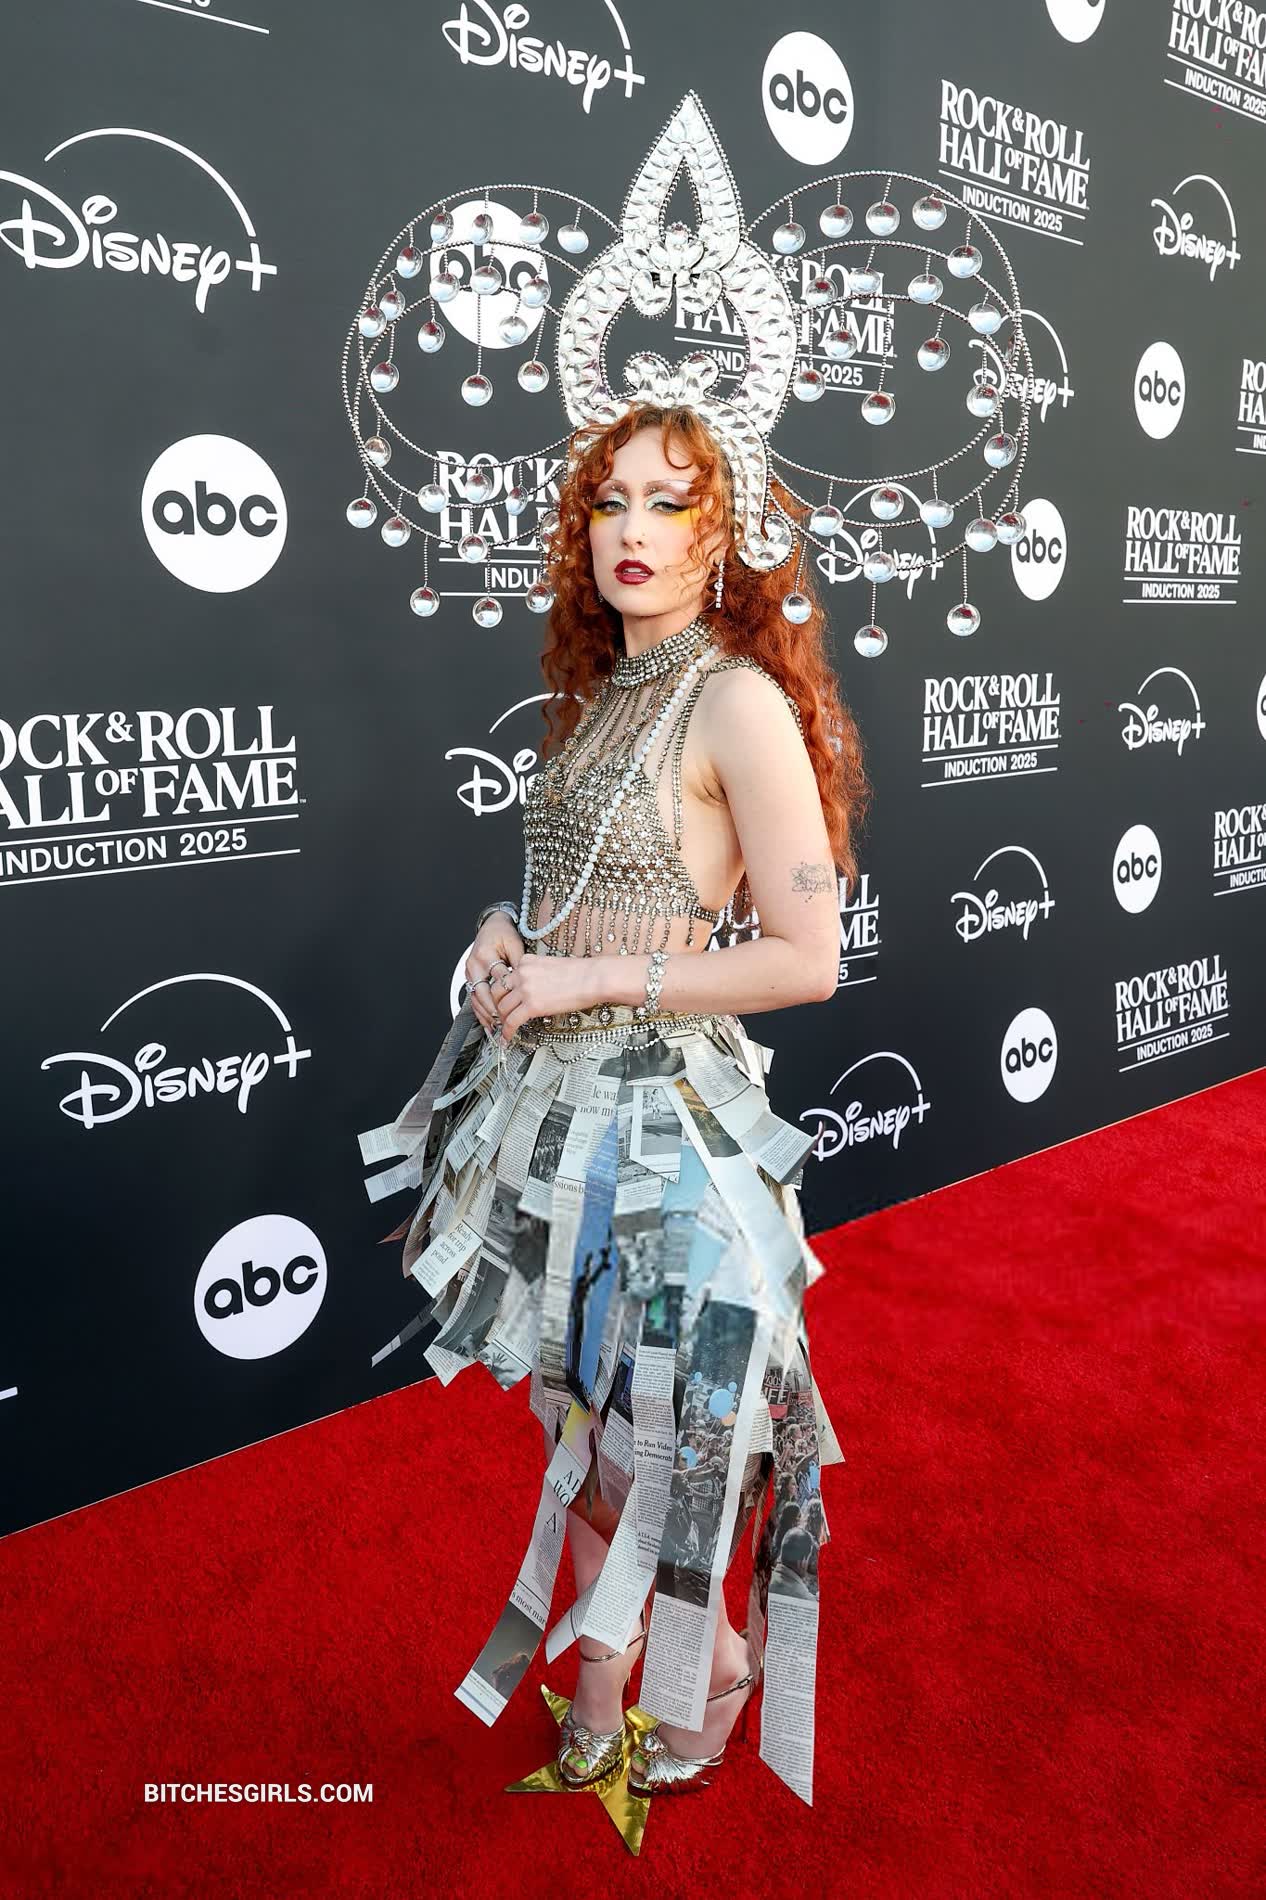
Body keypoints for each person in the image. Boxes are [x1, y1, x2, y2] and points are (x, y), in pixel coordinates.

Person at [364, 397, 870, 1808]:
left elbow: (808, 957)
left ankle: (707, 1670)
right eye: (608, 501)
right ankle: (604, 1670)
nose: (630, 529)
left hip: (667, 1134)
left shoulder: (735, 699)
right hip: (551, 1122)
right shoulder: (601, 700)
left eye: (669, 501)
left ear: (724, 534)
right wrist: (506, 933)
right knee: (574, 1412)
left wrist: (595, 979)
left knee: (665, 1434)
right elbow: (578, 898)